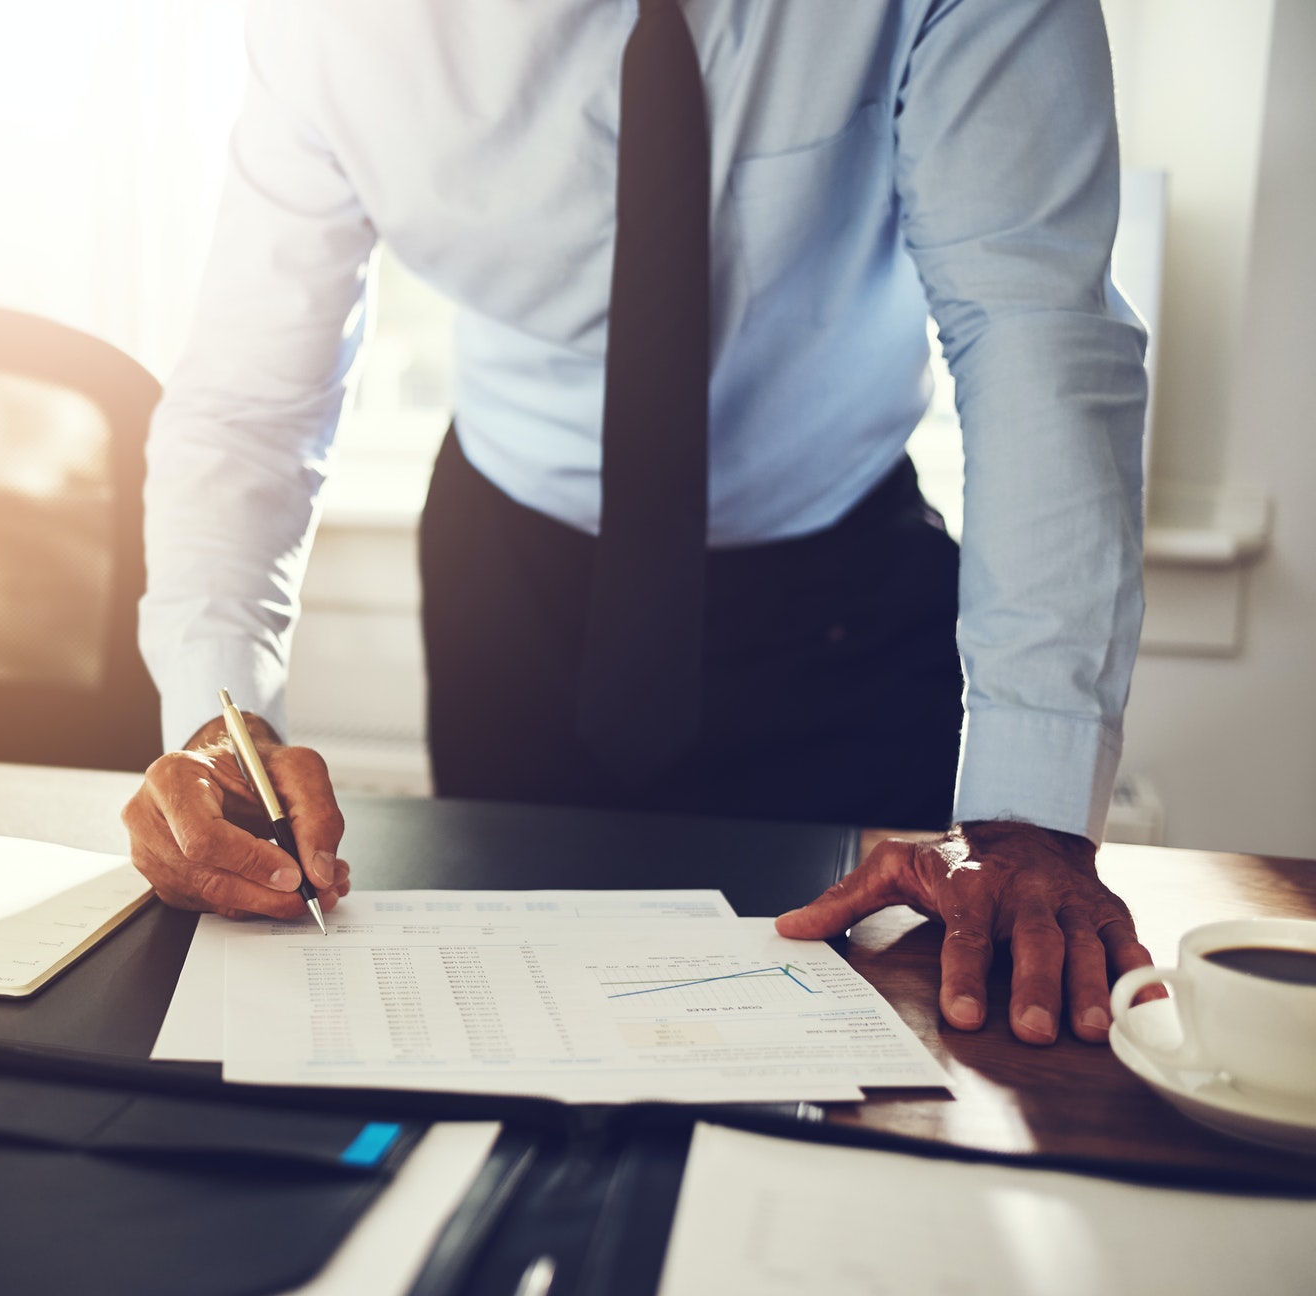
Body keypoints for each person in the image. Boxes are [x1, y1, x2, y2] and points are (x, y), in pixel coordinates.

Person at [121, 0, 1154, 1047]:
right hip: (512, 585)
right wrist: (223, 729)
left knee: (875, 1047)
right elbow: (252, 403)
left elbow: (1035, 333)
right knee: (522, 1034)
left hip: (841, 593)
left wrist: (1031, 813)